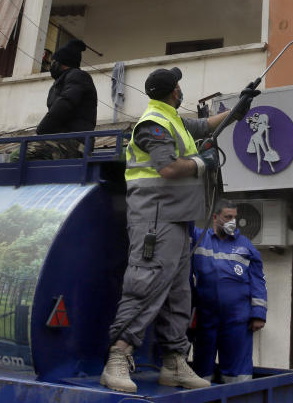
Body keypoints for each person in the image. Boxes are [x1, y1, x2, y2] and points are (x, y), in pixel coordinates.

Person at [100, 67, 259, 393]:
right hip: (156, 222)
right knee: (145, 284)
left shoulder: (172, 119)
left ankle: (174, 363)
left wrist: (237, 110)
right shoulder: (153, 124)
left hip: (177, 219)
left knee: (178, 293)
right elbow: (168, 167)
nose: (181, 89)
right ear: (174, 91)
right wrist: (203, 162)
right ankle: (117, 358)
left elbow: (205, 126)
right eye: (179, 85)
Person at [190, 200, 267, 383]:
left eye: (234, 217)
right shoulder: (199, 239)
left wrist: (259, 314)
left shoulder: (246, 246)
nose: (233, 221)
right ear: (215, 217)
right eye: (228, 217)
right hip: (205, 316)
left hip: (237, 318)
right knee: (202, 366)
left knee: (236, 370)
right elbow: (183, 226)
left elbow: (258, 281)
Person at [24, 39, 97, 160]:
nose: (51, 65)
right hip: (62, 140)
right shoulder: (64, 80)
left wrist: (41, 130)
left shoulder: (77, 76)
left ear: (61, 63)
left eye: (53, 61)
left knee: (20, 156)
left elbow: (64, 104)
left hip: (74, 143)